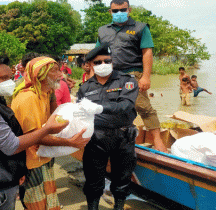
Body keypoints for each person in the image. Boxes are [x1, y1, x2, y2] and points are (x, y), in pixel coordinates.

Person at [0, 54, 73, 210]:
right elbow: (12, 145)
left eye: (10, 77)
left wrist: (16, 170)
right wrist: (48, 129)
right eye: (3, 78)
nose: (10, 83)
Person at [11, 56, 89, 210]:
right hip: (31, 162)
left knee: (49, 201)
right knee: (37, 204)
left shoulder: (44, 93)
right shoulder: (28, 98)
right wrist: (70, 143)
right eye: (54, 71)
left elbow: (51, 121)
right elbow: (37, 138)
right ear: (40, 75)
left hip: (43, 157)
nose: (61, 74)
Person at [97, 0, 167, 153]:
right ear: (110, 12)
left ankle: (157, 140)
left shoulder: (140, 28)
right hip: (110, 76)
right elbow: (97, 55)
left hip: (132, 75)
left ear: (129, 10)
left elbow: (147, 52)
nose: (119, 13)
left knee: (143, 107)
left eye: (122, 10)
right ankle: (116, 140)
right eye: (115, 11)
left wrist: (146, 77)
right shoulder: (103, 31)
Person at [77, 43, 139, 210]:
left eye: (107, 61)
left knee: (122, 179)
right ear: (90, 65)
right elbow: (80, 114)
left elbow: (126, 106)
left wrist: (100, 109)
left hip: (123, 137)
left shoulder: (127, 81)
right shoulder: (85, 88)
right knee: (93, 179)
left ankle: (119, 207)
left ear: (112, 61)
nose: (103, 65)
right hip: (96, 139)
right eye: (98, 62)